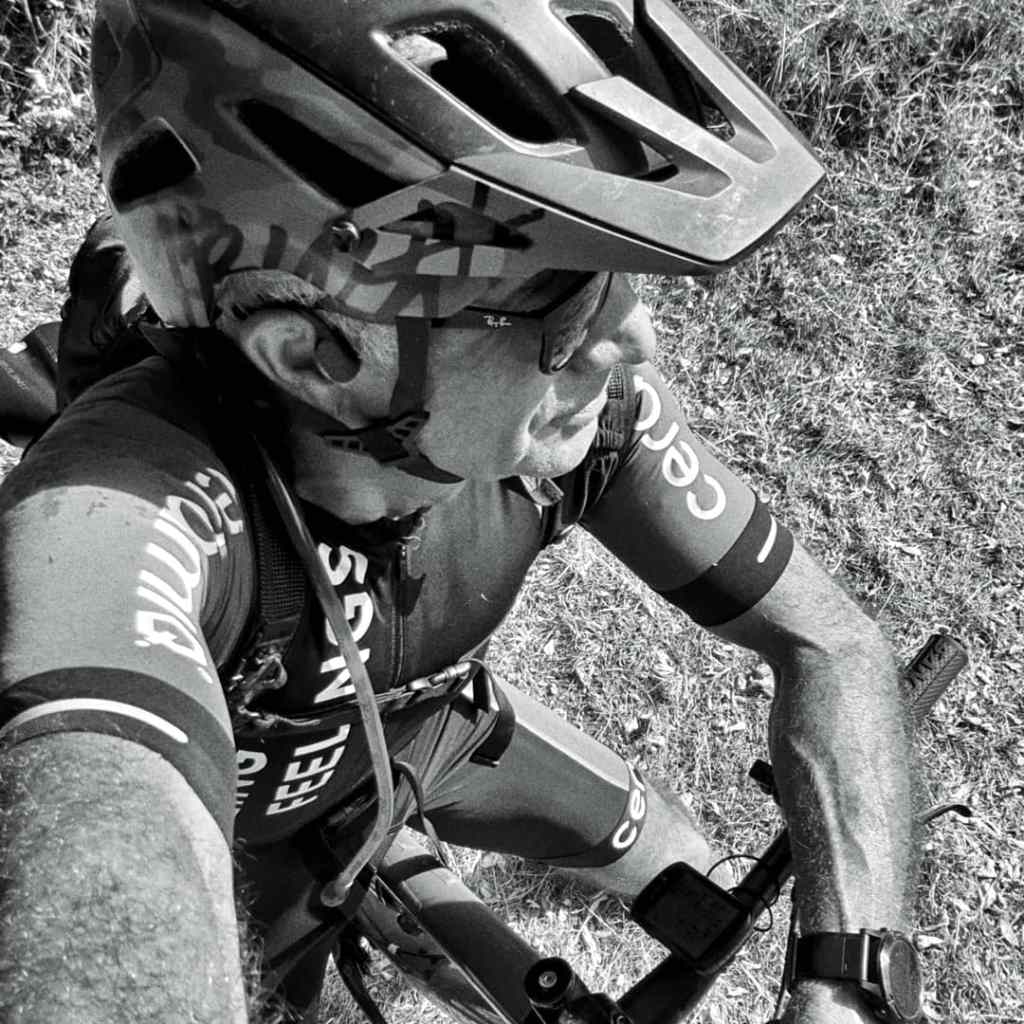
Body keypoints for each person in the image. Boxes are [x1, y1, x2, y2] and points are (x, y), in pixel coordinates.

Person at [0, 2, 920, 1023]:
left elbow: (829, 642)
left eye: (619, 271)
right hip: (258, 831)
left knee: (678, 859)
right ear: (315, 354)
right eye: (567, 304)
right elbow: (99, 880)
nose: (635, 340)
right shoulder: (117, 506)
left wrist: (850, 980)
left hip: (431, 726)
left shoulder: (589, 416)